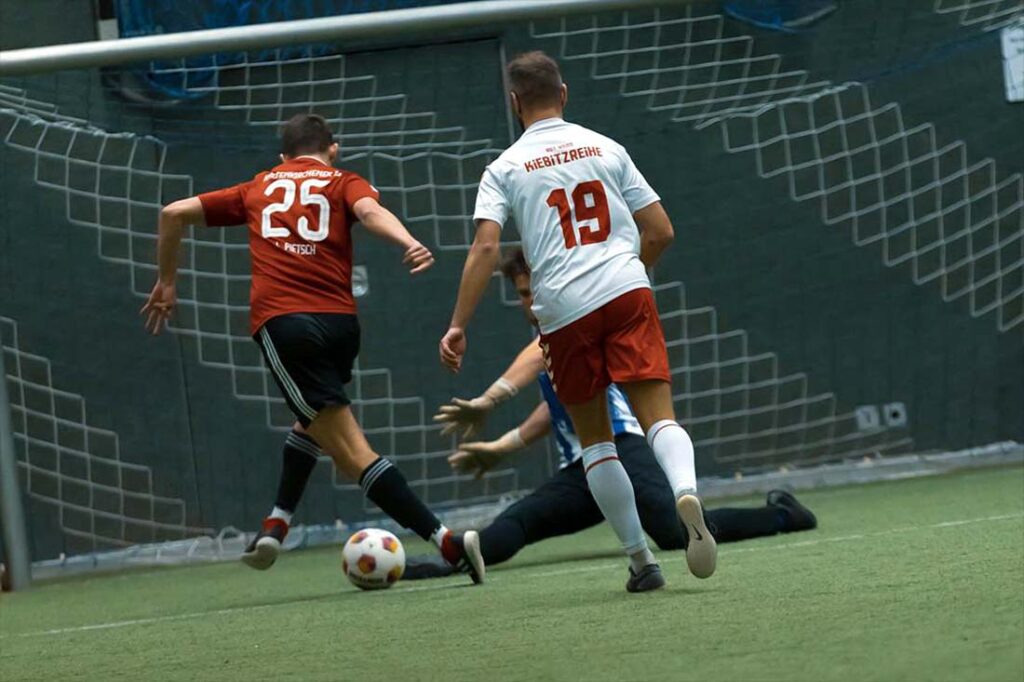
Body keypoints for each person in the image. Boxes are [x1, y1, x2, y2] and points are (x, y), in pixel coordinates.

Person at [141, 113, 485, 583]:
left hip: (286, 324)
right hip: (341, 325)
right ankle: (277, 522)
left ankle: (447, 542)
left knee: (351, 452)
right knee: (314, 419)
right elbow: (370, 212)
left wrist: (167, 281)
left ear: (283, 157)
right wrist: (407, 240)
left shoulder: (258, 186)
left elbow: (172, 213)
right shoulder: (343, 181)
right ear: (333, 149)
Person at [440, 50, 711, 592]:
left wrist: (458, 325)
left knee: (597, 444)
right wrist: (629, 273)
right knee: (659, 419)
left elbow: (486, 247)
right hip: (626, 289)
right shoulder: (607, 147)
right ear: (563, 94)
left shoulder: (504, 168)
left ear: (514, 103)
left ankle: (641, 563)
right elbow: (661, 230)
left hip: (565, 310)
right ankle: (686, 490)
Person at [406, 249, 816, 579]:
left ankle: (783, 514)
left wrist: (491, 398)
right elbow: (557, 408)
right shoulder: (548, 329)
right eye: (522, 293)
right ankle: (442, 563)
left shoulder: (569, 319)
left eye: (532, 291)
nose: (528, 301)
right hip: (584, 468)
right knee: (515, 524)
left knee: (673, 532)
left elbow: (537, 356)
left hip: (624, 446)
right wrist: (503, 447)